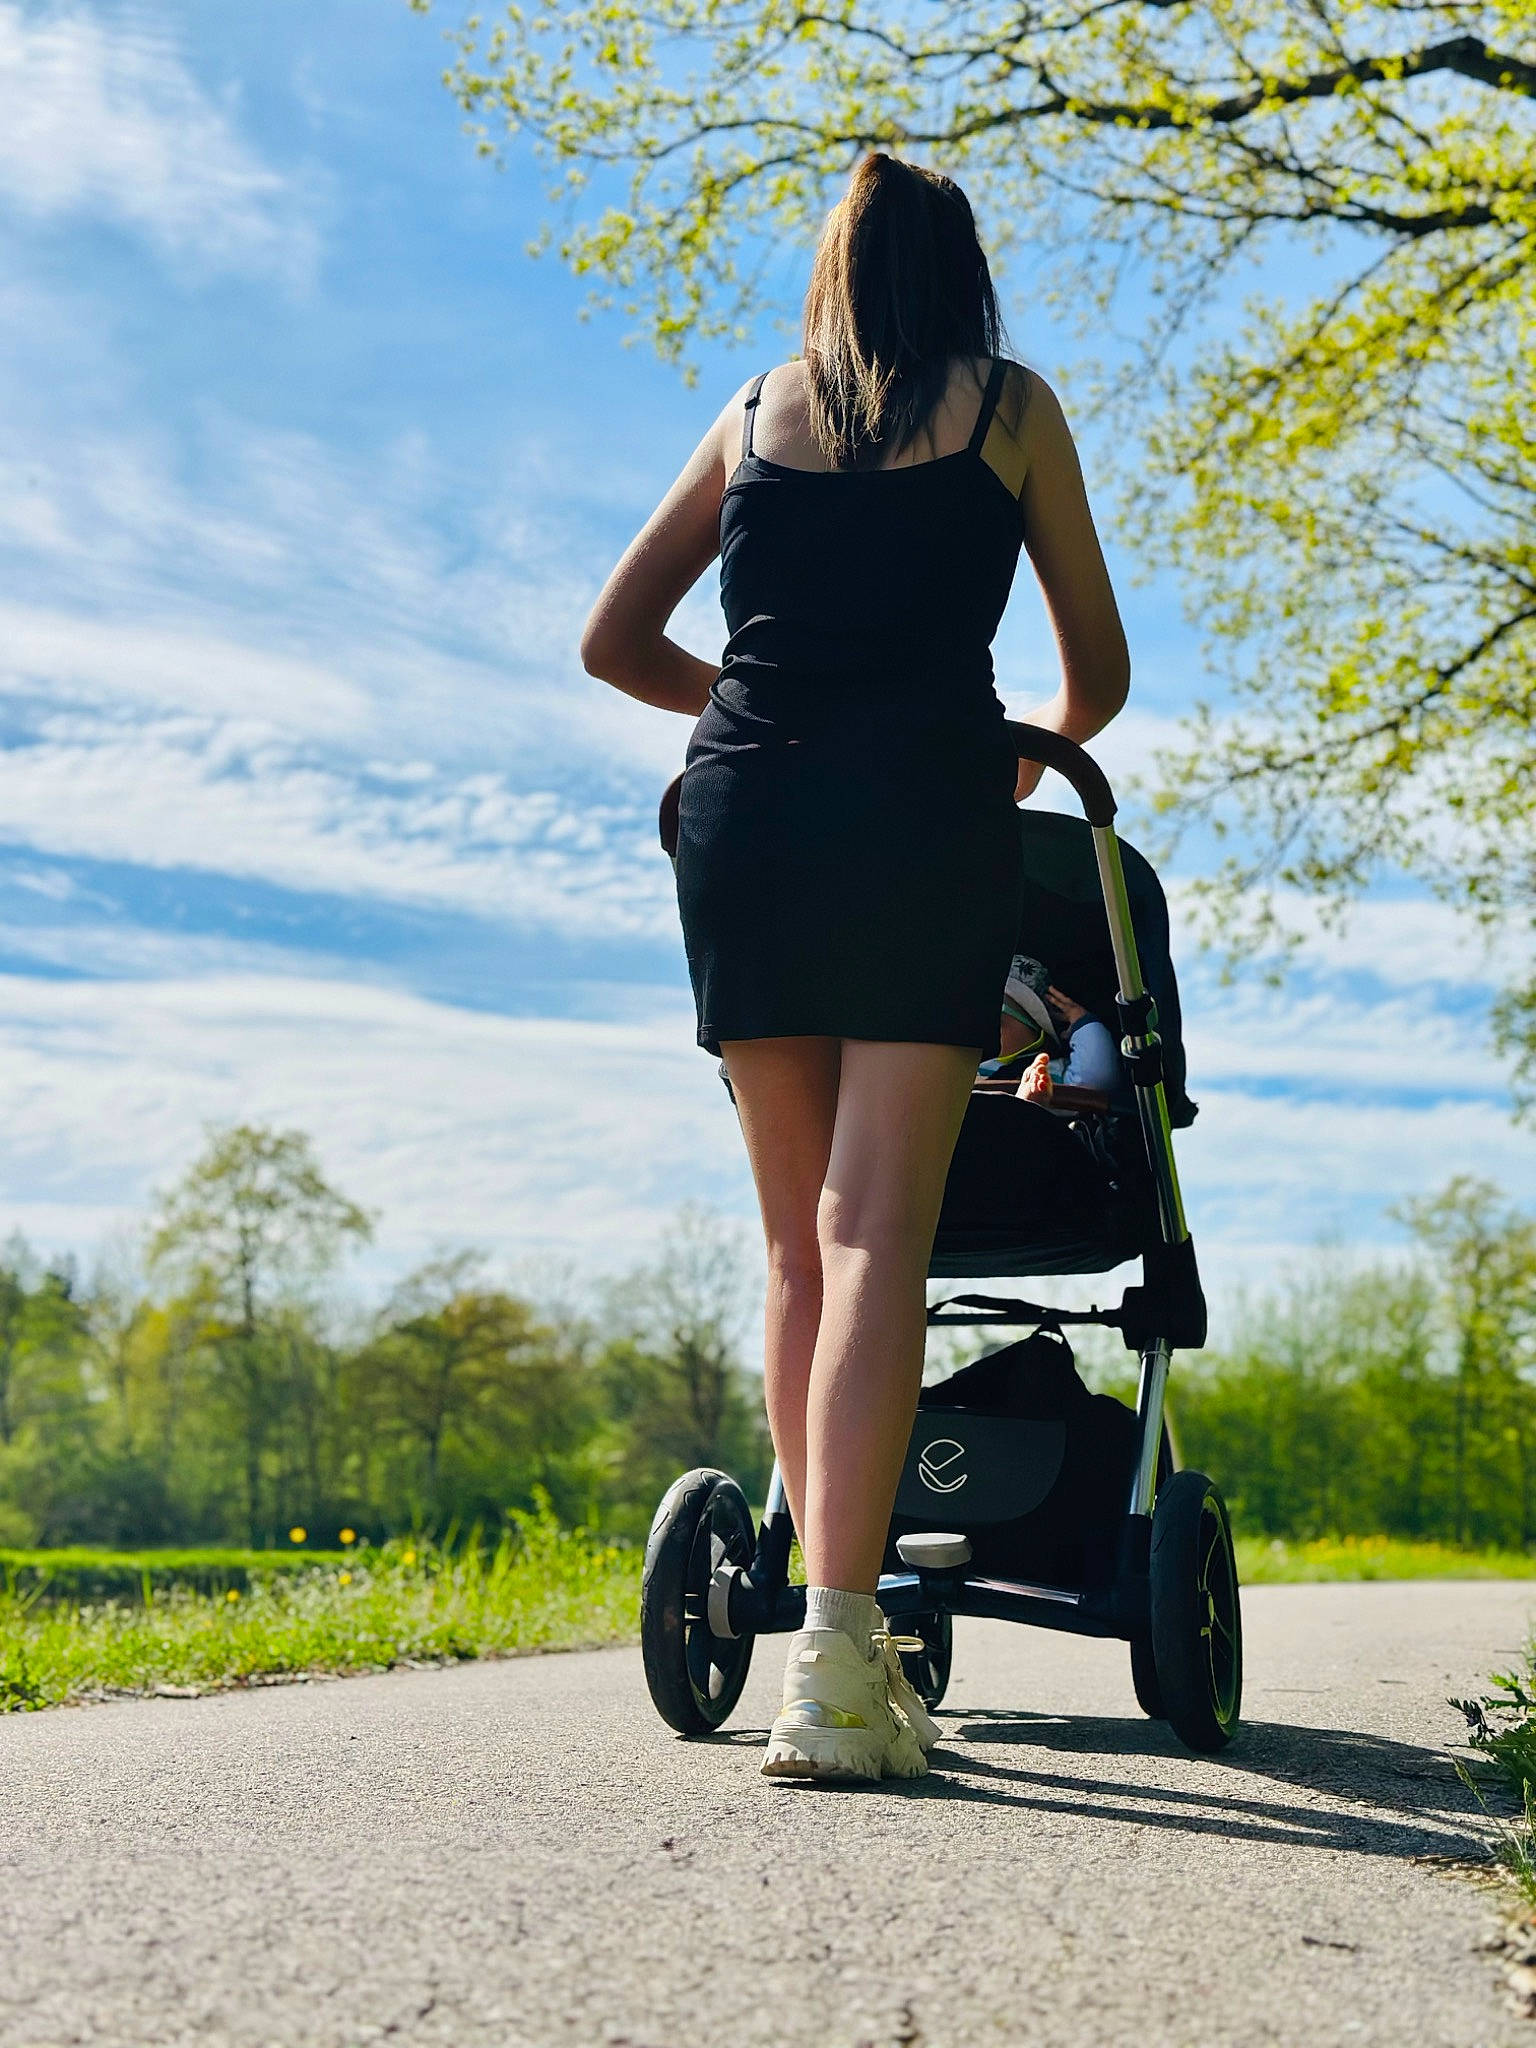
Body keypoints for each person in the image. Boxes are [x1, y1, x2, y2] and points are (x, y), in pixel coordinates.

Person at [580, 151, 1130, 1782]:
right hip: (922, 816)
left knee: (791, 1247)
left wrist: (760, 730)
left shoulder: (750, 410)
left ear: (830, 268)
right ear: (960, 275)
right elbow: (1092, 674)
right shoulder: (1011, 407)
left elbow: (613, 640)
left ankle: (827, 1649)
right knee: (876, 1227)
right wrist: (1017, 756)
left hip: (743, 817)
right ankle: (835, 1657)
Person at [977, 954, 1122, 1103]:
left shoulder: (1047, 1072)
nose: (987, 1021)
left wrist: (1083, 1023)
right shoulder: (976, 1069)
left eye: (1000, 1016)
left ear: (1036, 1026)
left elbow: (1098, 1079)